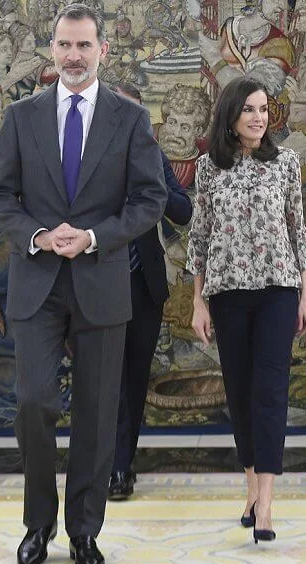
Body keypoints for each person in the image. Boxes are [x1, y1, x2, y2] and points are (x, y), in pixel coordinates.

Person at [0, 3, 167, 564]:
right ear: (51, 49)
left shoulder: (130, 119)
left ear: (102, 51)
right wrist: (38, 235)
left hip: (102, 281)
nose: (74, 56)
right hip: (37, 283)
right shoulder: (21, 117)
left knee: (95, 410)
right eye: (65, 45)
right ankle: (38, 524)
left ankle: (85, 529)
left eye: (85, 46)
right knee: (33, 402)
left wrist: (92, 236)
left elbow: (150, 200)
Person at [187, 76, 306, 544]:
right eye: (249, 110)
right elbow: (199, 237)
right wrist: (198, 300)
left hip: (279, 291)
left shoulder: (285, 163)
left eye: (264, 109)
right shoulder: (208, 168)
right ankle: (251, 491)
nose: (259, 117)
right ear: (231, 116)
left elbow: (297, 230)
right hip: (226, 292)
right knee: (240, 392)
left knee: (270, 391)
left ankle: (267, 506)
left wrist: (304, 295)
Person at [108, 82, 193, 501]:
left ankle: (122, 466)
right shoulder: (88, 157)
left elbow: (183, 211)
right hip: (96, 285)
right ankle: (105, 462)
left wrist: (152, 190)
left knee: (134, 378)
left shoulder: (154, 158)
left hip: (143, 285)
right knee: (106, 380)